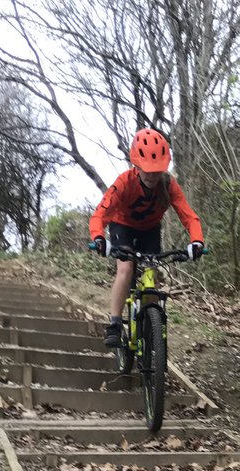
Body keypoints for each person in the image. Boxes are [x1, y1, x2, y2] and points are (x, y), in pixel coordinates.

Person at [88, 129, 204, 348]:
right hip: (123, 227)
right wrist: (99, 239)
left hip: (150, 230)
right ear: (136, 165)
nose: (151, 176)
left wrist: (197, 241)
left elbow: (189, 216)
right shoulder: (124, 182)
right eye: (147, 170)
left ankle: (150, 330)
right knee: (126, 269)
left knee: (151, 273)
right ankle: (114, 323)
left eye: (157, 171)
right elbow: (99, 214)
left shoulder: (169, 185)